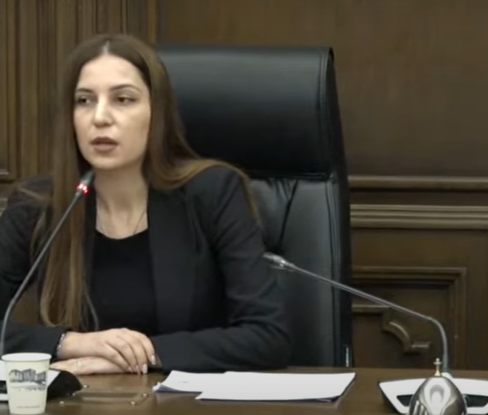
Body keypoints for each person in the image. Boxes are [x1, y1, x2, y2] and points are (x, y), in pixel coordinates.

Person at [0, 33, 292, 375]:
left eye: (123, 99)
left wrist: (141, 354)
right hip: (79, 398)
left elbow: (268, 336)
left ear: (157, 113)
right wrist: (70, 343)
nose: (100, 117)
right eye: (84, 100)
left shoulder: (213, 194)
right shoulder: (37, 206)